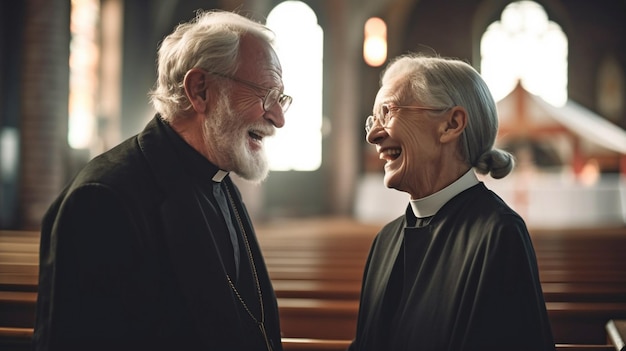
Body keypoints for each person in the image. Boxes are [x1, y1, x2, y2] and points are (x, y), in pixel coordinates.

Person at [34, 9, 291, 351]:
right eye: (267, 95)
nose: (278, 118)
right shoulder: (103, 200)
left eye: (281, 99)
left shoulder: (220, 181)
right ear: (200, 90)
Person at [349, 54, 554, 351]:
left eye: (387, 113)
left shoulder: (499, 235)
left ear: (451, 124)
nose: (372, 135)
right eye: (373, 119)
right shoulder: (385, 239)